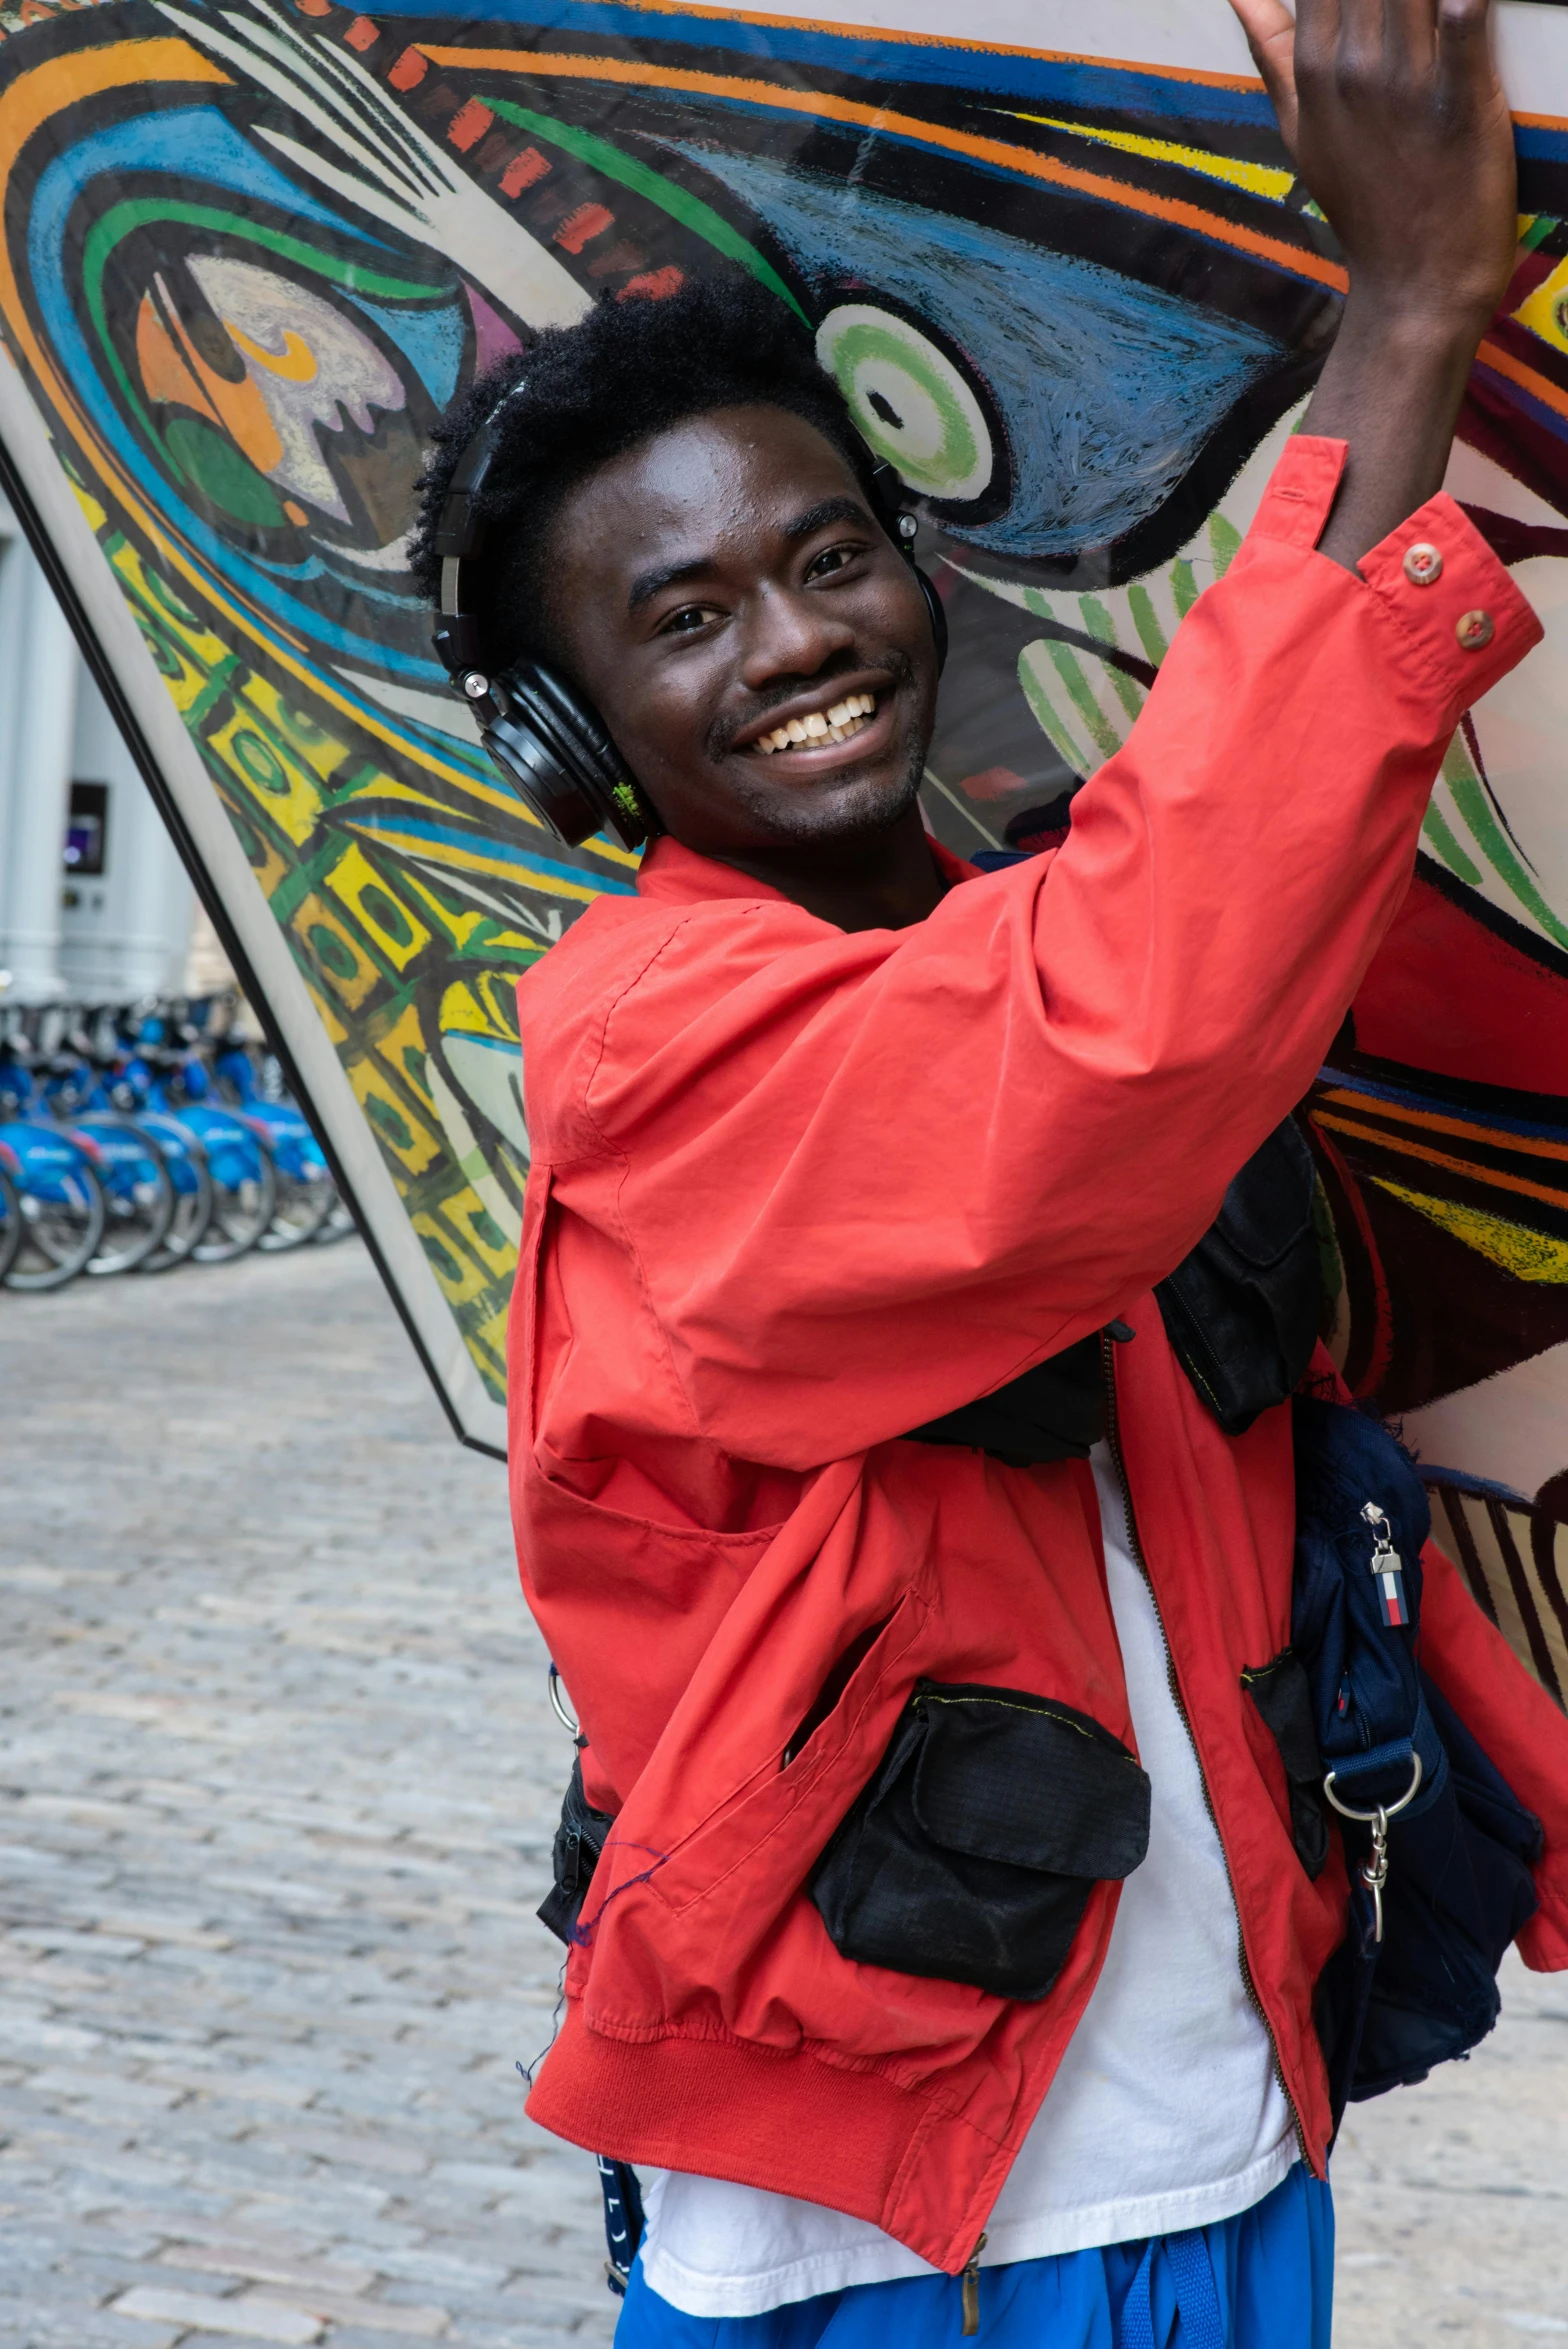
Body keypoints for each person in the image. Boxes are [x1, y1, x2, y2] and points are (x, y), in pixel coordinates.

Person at [411, 0, 1568, 2340]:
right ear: (570, 739)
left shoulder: (997, 943)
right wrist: (1414, 310)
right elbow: (1131, 1018)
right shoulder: (659, 1061)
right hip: (899, 2252)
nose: (798, 640)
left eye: (828, 555)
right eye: (685, 615)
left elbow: (1193, 922)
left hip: (1227, 2137)